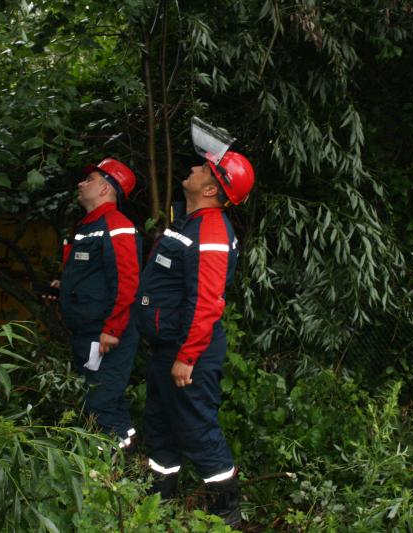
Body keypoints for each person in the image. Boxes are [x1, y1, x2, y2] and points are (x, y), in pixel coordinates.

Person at [135, 147, 254, 526]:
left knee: (197, 430)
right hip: (167, 348)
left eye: (203, 168)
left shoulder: (212, 230)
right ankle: (160, 502)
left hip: (190, 353)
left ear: (210, 190)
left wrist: (187, 356)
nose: (192, 167)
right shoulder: (189, 222)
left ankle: (227, 513)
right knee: (159, 425)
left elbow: (206, 301)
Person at [48, 158, 142, 451]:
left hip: (108, 335)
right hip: (89, 334)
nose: (81, 183)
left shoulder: (117, 226)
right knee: (103, 400)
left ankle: (107, 469)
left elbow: (128, 283)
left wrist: (112, 330)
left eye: (88, 179)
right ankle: (124, 462)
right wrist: (65, 290)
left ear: (105, 187)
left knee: (100, 400)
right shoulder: (86, 227)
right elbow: (93, 276)